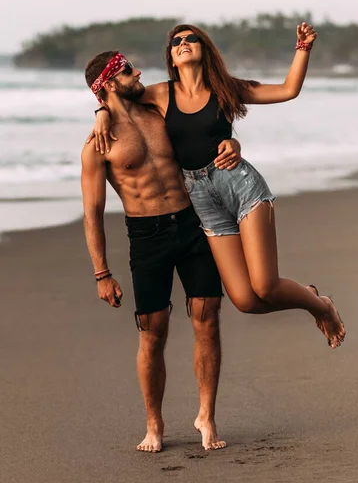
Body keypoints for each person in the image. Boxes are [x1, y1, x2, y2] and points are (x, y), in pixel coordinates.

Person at [91, 23, 345, 349]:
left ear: (203, 48)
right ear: (171, 56)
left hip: (241, 187)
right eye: (176, 41)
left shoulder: (226, 88)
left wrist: (303, 48)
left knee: (265, 287)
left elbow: (287, 89)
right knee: (244, 301)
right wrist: (100, 111)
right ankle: (308, 296)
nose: (183, 43)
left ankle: (321, 305)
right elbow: (115, 94)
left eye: (190, 38)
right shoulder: (159, 94)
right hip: (202, 200)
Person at [81, 51, 241, 452]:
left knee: (207, 317)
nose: (139, 74)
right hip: (147, 235)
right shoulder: (98, 144)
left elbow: (206, 130)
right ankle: (155, 425)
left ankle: (206, 416)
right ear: (111, 83)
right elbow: (92, 214)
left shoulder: (159, 113)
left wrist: (231, 141)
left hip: (191, 223)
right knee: (153, 333)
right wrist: (102, 273)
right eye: (129, 71)